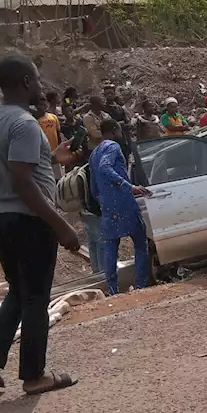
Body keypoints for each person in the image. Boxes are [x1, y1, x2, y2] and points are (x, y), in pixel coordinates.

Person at [0, 53, 81, 395]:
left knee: (19, 291)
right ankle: (34, 375)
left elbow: (10, 165)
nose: (41, 85)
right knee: (36, 297)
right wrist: (60, 224)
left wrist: (49, 157)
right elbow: (22, 180)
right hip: (28, 220)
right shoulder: (25, 123)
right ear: (27, 83)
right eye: (37, 78)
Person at [89, 118, 152, 295]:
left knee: (111, 246)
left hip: (107, 206)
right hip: (124, 201)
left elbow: (93, 185)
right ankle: (140, 285)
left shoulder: (94, 153)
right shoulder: (113, 147)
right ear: (115, 130)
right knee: (140, 242)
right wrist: (129, 187)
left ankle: (113, 290)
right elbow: (105, 168)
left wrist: (102, 200)